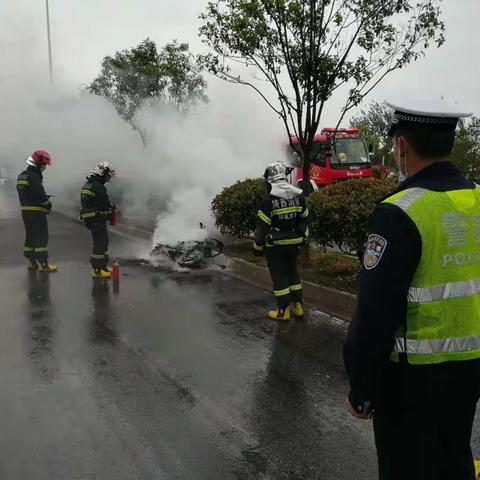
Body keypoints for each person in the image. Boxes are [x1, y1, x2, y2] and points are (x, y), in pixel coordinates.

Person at [344, 98, 480, 480]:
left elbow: (374, 315)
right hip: (470, 370)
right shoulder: (477, 199)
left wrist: (362, 387)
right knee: (454, 456)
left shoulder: (398, 212)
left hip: (411, 380)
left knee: (407, 466)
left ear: (401, 147)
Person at [253, 161, 309, 320]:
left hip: (275, 245)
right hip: (294, 243)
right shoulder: (299, 197)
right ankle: (298, 307)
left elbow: (262, 229)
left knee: (279, 276)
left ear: (269, 180)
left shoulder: (268, 201)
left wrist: (257, 248)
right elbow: (304, 219)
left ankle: (283, 311)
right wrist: (301, 236)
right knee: (292, 272)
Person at [16, 150, 57, 272]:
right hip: (37, 212)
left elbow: (27, 193)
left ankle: (31, 262)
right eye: (44, 165)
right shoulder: (34, 176)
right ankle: (43, 264)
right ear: (38, 163)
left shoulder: (22, 175)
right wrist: (48, 204)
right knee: (41, 236)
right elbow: (39, 194)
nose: (44, 167)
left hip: (26, 211)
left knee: (30, 236)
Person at [80, 161, 116, 279]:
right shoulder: (98, 187)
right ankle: (97, 270)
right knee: (100, 244)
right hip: (96, 218)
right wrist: (111, 206)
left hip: (91, 218)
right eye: (108, 176)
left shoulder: (88, 184)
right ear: (102, 173)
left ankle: (103, 267)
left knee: (103, 242)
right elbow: (105, 204)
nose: (108, 179)